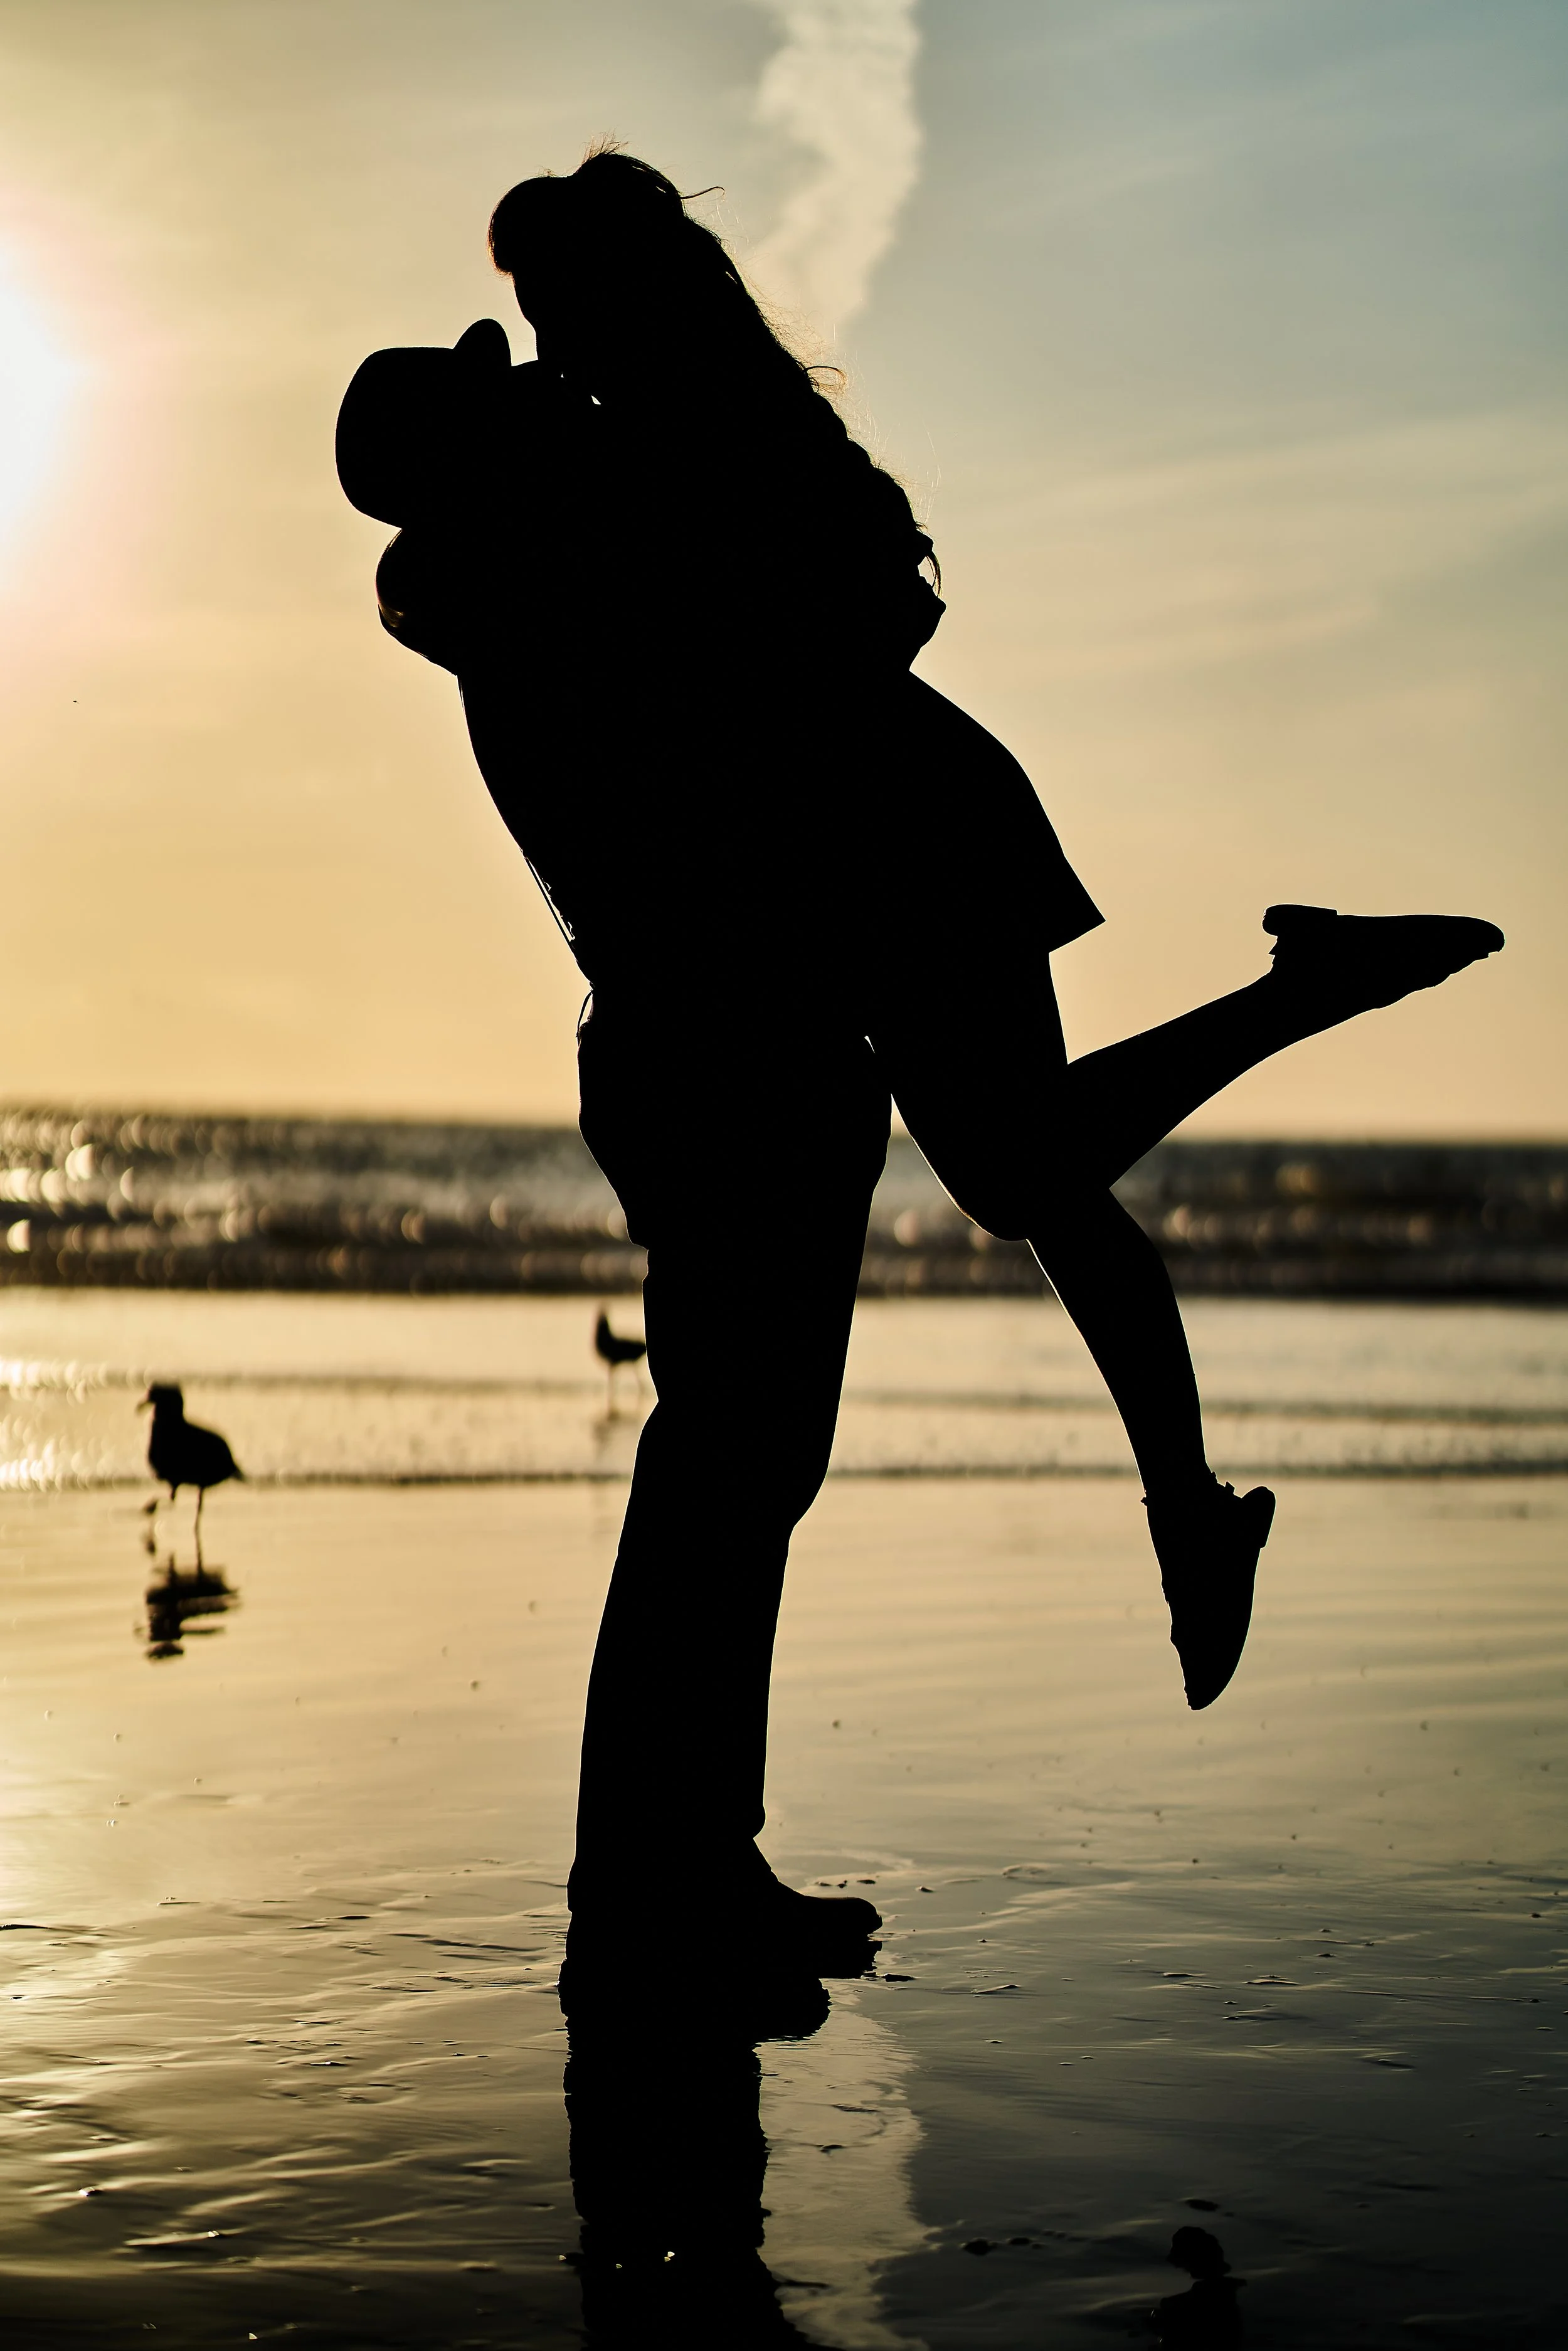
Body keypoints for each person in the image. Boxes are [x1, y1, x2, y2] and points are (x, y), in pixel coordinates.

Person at [337, 147, 1503, 1965]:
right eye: (517, 351)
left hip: (889, 860)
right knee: (860, 1336)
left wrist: (672, 539)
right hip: (754, 985)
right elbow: (534, 622)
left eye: (551, 327)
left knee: (909, 1286)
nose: (541, 364)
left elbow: (862, 613)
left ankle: (676, 1866)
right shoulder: (544, 527)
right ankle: (674, 1865)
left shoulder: (648, 469)